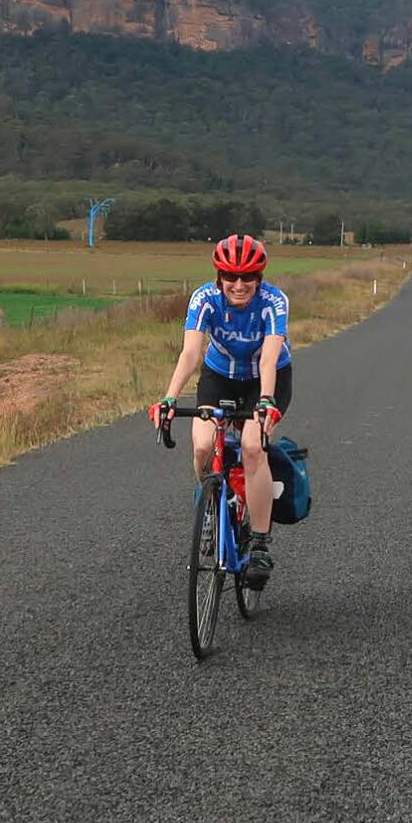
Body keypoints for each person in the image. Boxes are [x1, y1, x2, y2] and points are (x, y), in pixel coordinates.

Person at [149, 233, 292, 589]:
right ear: (219, 276)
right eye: (230, 276)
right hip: (219, 376)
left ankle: (259, 543)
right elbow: (190, 354)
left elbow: (270, 357)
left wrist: (266, 401)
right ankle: (213, 506)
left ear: (259, 278)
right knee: (202, 445)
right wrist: (169, 399)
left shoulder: (274, 301)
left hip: (264, 380)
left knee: (253, 447)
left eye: (248, 277)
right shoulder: (204, 299)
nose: (239, 285)